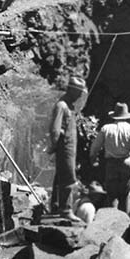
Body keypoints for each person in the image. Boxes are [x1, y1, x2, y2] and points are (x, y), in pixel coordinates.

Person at [90, 102, 130, 212]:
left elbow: (95, 146)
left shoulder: (106, 129)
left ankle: (112, 220)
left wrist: (93, 158)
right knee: (124, 194)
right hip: (126, 163)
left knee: (111, 194)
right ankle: (125, 220)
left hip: (111, 164)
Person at [49, 77, 85, 219]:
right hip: (64, 148)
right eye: (78, 93)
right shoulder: (62, 106)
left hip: (70, 148)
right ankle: (66, 210)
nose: (80, 96)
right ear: (71, 90)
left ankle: (56, 206)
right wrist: (54, 145)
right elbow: (55, 130)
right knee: (69, 177)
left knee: (60, 177)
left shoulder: (70, 106)